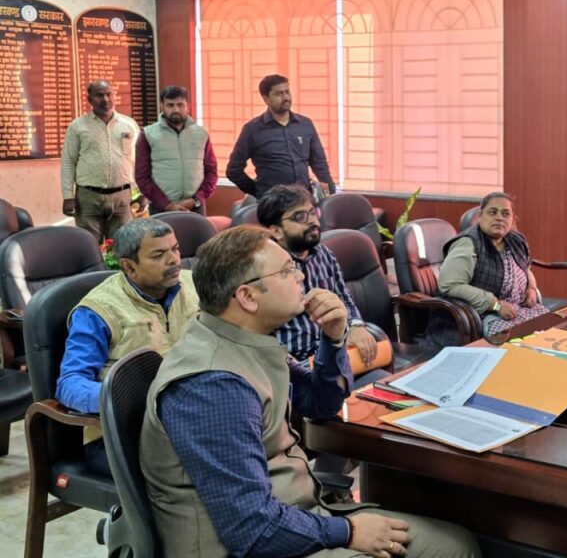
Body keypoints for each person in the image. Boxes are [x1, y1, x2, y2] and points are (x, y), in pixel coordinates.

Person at [140, 226, 480, 558]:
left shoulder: (248, 339)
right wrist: (348, 531)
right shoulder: (213, 385)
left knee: (455, 539)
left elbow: (321, 404)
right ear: (247, 297)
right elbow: (251, 529)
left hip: (294, 513)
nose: (301, 276)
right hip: (254, 541)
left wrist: (333, 338)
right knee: (455, 548)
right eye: (287, 270)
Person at [55, 218, 198, 476]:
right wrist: (133, 399)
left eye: (175, 249)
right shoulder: (99, 310)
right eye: (159, 255)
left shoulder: (194, 285)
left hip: (191, 418)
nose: (174, 260)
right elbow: (70, 384)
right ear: (129, 266)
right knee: (207, 467)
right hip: (121, 436)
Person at [256, 184, 379, 367]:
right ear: (276, 231)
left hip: (332, 350)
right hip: (292, 365)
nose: (313, 220)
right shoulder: (263, 266)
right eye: (300, 216)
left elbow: (343, 296)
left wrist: (355, 325)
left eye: (313, 212)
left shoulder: (324, 253)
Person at [431, 192, 547, 346]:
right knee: (522, 348)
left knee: (552, 331)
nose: (499, 218)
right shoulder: (468, 243)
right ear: (481, 216)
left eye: (506, 214)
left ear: (512, 219)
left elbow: (526, 269)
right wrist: (496, 304)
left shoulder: (515, 240)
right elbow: (449, 284)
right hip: (480, 318)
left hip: (519, 310)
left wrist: (531, 288)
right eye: (493, 212)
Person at [226, 74, 336, 199]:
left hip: (303, 200)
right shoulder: (252, 130)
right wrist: (259, 192)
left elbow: (320, 165)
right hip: (273, 203)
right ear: (266, 99)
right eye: (278, 94)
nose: (285, 97)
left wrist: (330, 197)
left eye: (287, 92)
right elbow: (233, 170)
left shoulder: (305, 125)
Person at [60, 79, 140, 243]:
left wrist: (140, 192)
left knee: (121, 246)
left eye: (109, 94)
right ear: (89, 100)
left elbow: (137, 161)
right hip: (88, 199)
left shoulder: (129, 125)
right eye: (99, 95)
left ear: (114, 96)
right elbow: (68, 161)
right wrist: (68, 196)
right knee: (89, 246)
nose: (105, 99)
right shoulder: (77, 126)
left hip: (122, 198)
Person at [135, 85, 218, 215]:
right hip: (161, 208)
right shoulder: (148, 135)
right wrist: (167, 205)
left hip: (195, 207)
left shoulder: (201, 134)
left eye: (180, 105)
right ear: (162, 106)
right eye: (170, 105)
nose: (176, 109)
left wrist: (196, 199)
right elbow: (142, 177)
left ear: (188, 106)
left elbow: (211, 172)